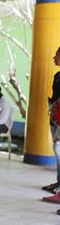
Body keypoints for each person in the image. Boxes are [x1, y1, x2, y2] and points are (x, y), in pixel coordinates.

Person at [43, 46, 60, 198]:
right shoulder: (57, 76)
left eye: (57, 55)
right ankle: (58, 182)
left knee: (59, 149)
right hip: (55, 117)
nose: (54, 57)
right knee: (57, 150)